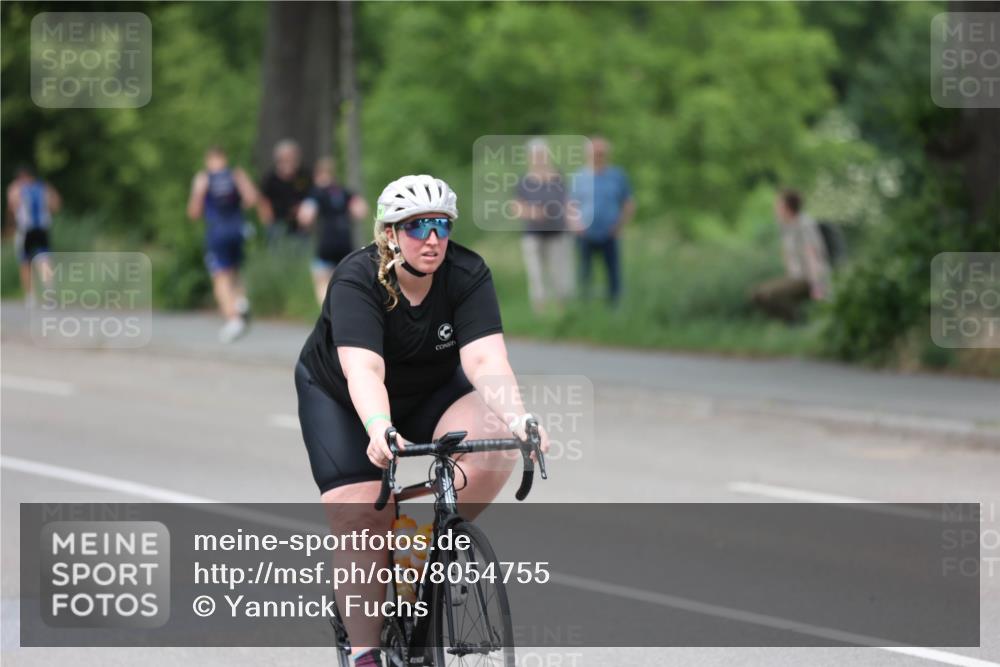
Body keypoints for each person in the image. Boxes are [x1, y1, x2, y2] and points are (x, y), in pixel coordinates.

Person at [295, 174, 550, 666]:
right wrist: (377, 426)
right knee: (362, 518)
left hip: (431, 390)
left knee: (494, 438)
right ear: (390, 233)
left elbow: (485, 362)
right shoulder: (356, 278)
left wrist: (519, 419)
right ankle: (365, 652)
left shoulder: (467, 272)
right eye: (416, 227)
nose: (431, 238)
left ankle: (421, 545)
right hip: (346, 400)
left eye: (440, 225)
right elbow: (364, 368)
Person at [186, 146, 258, 343]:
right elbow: (251, 198)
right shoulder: (236, 175)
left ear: (208, 160)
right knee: (234, 270)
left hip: (217, 231)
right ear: (224, 158)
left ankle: (233, 319)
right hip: (238, 229)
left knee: (220, 277)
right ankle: (242, 303)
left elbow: (193, 211)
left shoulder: (204, 178)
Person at [568, 137, 635, 305]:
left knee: (613, 272)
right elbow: (569, 205)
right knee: (584, 272)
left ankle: (615, 307)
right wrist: (576, 224)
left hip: (610, 232)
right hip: (585, 233)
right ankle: (584, 306)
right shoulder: (579, 176)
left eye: (601, 153)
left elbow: (628, 204)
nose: (598, 156)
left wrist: (619, 225)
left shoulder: (617, 176)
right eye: (594, 152)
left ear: (607, 154)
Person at [750, 189, 832, 322]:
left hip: (808, 277)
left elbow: (811, 253)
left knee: (767, 294)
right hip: (795, 276)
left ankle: (797, 323)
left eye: (778, 205)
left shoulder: (804, 224)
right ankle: (793, 322)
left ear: (788, 207)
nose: (775, 209)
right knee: (757, 294)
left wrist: (817, 285)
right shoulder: (786, 226)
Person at [296, 157, 369, 304]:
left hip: (326, 242)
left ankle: (328, 313)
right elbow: (362, 211)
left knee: (322, 281)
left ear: (318, 174)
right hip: (345, 242)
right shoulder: (344, 191)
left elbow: (305, 217)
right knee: (345, 280)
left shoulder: (316, 193)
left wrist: (306, 226)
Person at [514, 138, 573, 313]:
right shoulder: (524, 180)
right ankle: (540, 311)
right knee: (536, 274)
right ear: (530, 157)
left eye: (542, 154)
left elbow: (567, 202)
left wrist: (573, 220)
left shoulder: (558, 177)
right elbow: (516, 208)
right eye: (536, 155)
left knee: (560, 272)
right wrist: (533, 213)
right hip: (533, 234)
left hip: (557, 232)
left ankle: (563, 310)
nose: (539, 158)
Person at [6, 165, 61, 299]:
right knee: (44, 259)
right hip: (42, 229)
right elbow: (56, 206)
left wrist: (9, 227)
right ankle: (50, 291)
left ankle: (30, 295)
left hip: (25, 230)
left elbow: (12, 208)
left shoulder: (15, 188)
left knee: (25, 262)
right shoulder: (44, 188)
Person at [257, 139, 311, 245]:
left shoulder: (304, 175)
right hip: (277, 223)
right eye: (287, 157)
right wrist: (268, 220)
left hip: (299, 224)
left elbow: (312, 195)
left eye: (293, 157)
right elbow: (263, 200)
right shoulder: (270, 178)